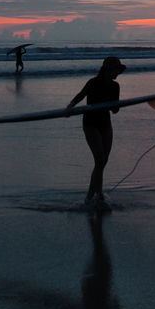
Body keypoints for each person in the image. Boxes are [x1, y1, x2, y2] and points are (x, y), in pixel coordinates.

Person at [66, 57, 126, 206]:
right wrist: (70, 106)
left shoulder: (115, 86)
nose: (117, 74)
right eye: (116, 70)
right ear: (107, 70)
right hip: (90, 123)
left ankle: (98, 195)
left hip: (105, 123)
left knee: (103, 161)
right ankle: (90, 197)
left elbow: (115, 110)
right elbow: (81, 95)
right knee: (100, 160)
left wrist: (114, 105)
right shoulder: (93, 82)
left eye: (118, 71)